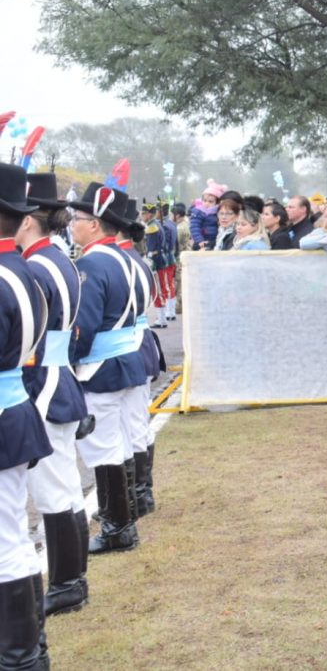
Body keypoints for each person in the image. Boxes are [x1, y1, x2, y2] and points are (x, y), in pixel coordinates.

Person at [17, 173, 93, 617]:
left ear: (28, 220)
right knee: (62, 486)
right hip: (58, 375)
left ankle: (67, 583)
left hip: (40, 381)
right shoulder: (58, 258)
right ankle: (72, 580)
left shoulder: (35, 266)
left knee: (53, 491)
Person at [70, 183, 145, 555]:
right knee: (119, 443)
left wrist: (70, 360)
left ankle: (117, 526)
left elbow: (83, 327)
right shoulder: (127, 258)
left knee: (103, 448)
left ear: (95, 224)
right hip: (127, 358)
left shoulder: (91, 264)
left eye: (78, 218)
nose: (72, 224)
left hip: (101, 366)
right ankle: (124, 520)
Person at [0, 164, 54, 670]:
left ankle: (20, 657)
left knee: (5, 542)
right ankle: (29, 651)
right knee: (11, 533)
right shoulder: (25, 270)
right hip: (13, 408)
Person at [115, 199, 162, 520]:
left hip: (131, 343)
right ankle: (139, 493)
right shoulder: (132, 257)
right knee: (135, 423)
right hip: (139, 342)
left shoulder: (123, 260)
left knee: (132, 424)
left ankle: (138, 493)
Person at [189, 180, 226, 250]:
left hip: (215, 240)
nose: (206, 203)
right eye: (205, 200)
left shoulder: (218, 212)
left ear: (217, 202)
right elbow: (195, 227)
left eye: (210, 201)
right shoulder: (199, 212)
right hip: (203, 240)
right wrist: (200, 240)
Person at [159, 202, 179, 321]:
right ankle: (171, 311)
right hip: (172, 256)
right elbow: (176, 243)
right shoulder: (172, 223)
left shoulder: (164, 225)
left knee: (166, 284)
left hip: (165, 258)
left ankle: (169, 311)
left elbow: (164, 245)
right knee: (170, 283)